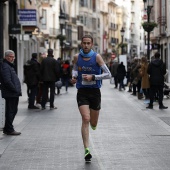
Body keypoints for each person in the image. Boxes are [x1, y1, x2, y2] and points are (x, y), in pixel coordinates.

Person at [71, 35, 111, 162]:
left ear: (92, 44)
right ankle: (86, 149)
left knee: (93, 123)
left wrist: (94, 77)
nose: (86, 45)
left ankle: (93, 125)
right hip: (82, 91)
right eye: (84, 43)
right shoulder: (77, 57)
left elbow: (108, 74)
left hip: (95, 92)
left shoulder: (97, 57)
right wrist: (73, 77)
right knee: (85, 118)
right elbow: (75, 70)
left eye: (88, 43)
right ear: (81, 44)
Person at [0, 50, 22, 135]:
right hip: (11, 93)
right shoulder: (6, 66)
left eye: (13, 57)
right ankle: (9, 129)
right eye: (10, 56)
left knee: (13, 110)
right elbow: (7, 81)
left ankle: (7, 128)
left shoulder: (9, 66)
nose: (12, 58)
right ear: (6, 57)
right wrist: (14, 89)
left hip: (13, 93)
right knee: (11, 111)